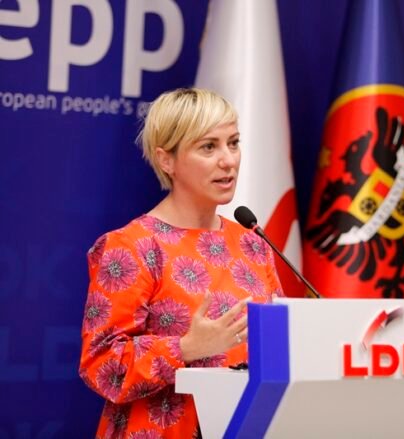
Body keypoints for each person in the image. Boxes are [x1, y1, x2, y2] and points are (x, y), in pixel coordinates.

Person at [79, 88, 282, 438]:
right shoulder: (132, 246)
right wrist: (186, 348)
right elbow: (102, 365)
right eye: (208, 147)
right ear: (166, 160)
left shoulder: (252, 243)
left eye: (233, 143)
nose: (228, 160)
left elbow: (279, 343)